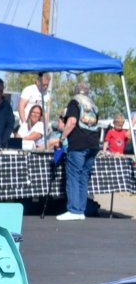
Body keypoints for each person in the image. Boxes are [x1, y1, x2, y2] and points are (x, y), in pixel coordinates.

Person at [55, 83, 102, 220]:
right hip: (93, 144)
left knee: (74, 176)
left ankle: (74, 210)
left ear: (75, 92)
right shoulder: (93, 106)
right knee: (84, 177)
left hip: (78, 144)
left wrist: (62, 138)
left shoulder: (74, 102)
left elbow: (71, 122)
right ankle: (80, 209)